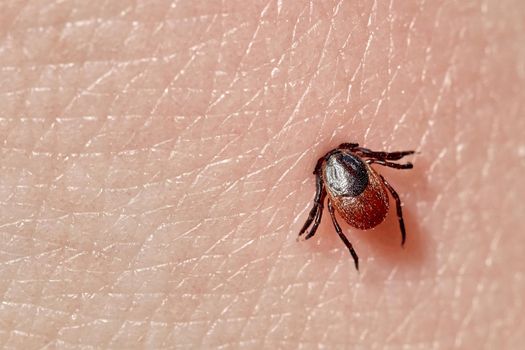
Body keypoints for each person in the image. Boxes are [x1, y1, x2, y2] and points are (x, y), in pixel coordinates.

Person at [0, 1, 523, 348]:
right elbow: (369, 174)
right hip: (364, 206)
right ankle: (364, 243)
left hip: (358, 208)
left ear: (362, 165)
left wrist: (347, 192)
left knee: (372, 216)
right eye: (361, 161)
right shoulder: (358, 173)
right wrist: (374, 174)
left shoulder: (342, 184)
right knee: (384, 209)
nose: (360, 161)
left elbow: (344, 198)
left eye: (362, 160)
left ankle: (366, 241)